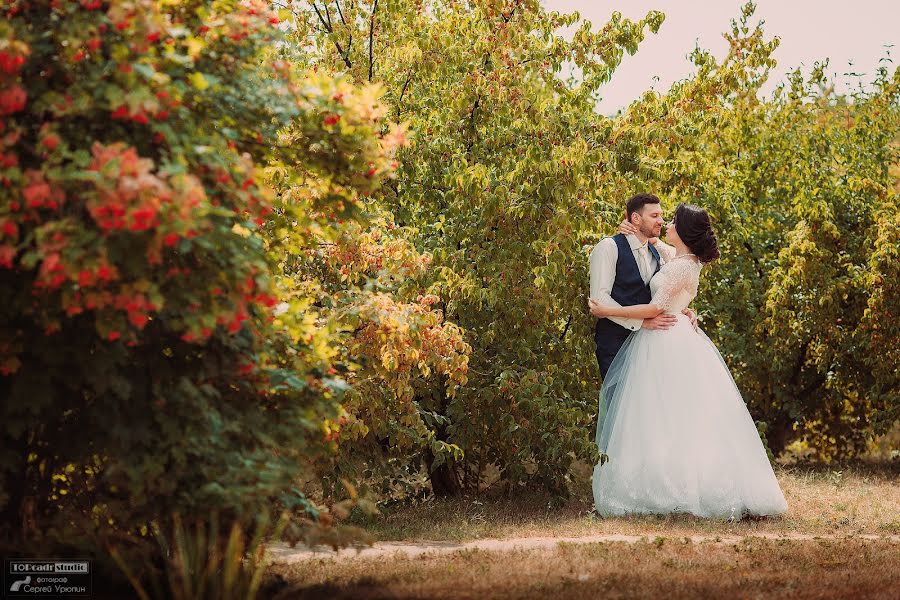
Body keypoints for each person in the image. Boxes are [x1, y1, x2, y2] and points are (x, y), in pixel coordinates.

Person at [587, 203, 788, 519]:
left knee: (669, 415)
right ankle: (662, 483)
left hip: (665, 338)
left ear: (683, 231)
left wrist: (608, 311)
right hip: (667, 336)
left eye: (673, 221)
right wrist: (634, 230)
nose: (666, 223)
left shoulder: (683, 266)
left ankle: (677, 489)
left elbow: (655, 309)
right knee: (662, 417)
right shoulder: (678, 257)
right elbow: (657, 247)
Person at [588, 193, 696, 380]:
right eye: (654, 216)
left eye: (661, 215)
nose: (661, 221)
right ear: (636, 218)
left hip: (651, 349)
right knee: (620, 407)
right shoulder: (609, 247)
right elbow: (599, 300)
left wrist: (683, 310)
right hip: (615, 344)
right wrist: (642, 323)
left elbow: (668, 290)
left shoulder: (657, 251)